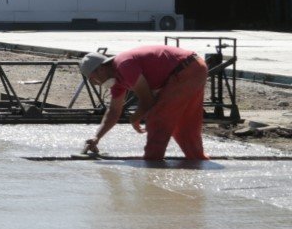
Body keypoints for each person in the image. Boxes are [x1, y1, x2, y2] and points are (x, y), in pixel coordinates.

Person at [79, 45, 209, 160]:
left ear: (100, 69)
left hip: (186, 69)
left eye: (93, 79)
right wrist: (97, 137)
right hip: (194, 67)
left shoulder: (124, 65)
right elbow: (113, 111)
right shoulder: (118, 80)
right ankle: (196, 159)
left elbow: (147, 101)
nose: (95, 84)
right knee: (185, 123)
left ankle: (152, 164)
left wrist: (135, 118)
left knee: (157, 118)